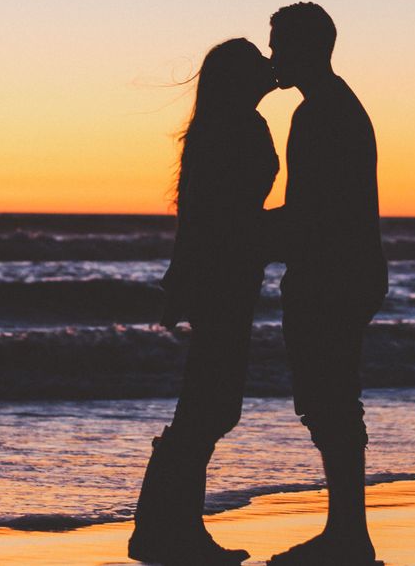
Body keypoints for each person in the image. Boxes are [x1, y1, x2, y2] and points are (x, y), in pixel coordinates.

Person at [128, 38, 279, 565]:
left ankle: (163, 528)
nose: (270, 66)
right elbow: (219, 217)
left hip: (226, 277)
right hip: (226, 279)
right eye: (259, 62)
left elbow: (203, 214)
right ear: (240, 78)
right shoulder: (236, 127)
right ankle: (167, 530)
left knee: (208, 404)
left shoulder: (223, 125)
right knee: (210, 405)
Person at [265, 3, 387, 565]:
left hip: (331, 274)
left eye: (279, 45)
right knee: (333, 399)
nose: (272, 57)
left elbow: (310, 210)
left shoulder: (319, 114)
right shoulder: (337, 106)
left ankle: (348, 535)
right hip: (351, 270)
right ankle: (347, 531)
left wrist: (241, 233)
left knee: (329, 400)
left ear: (306, 48)